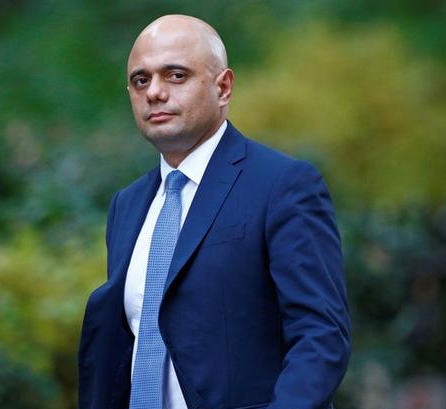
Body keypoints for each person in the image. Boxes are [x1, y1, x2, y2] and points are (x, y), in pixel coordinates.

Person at [78, 14, 351, 409]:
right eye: (141, 80)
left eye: (175, 75)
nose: (154, 92)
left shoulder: (282, 185)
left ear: (223, 87)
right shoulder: (128, 204)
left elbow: (321, 335)